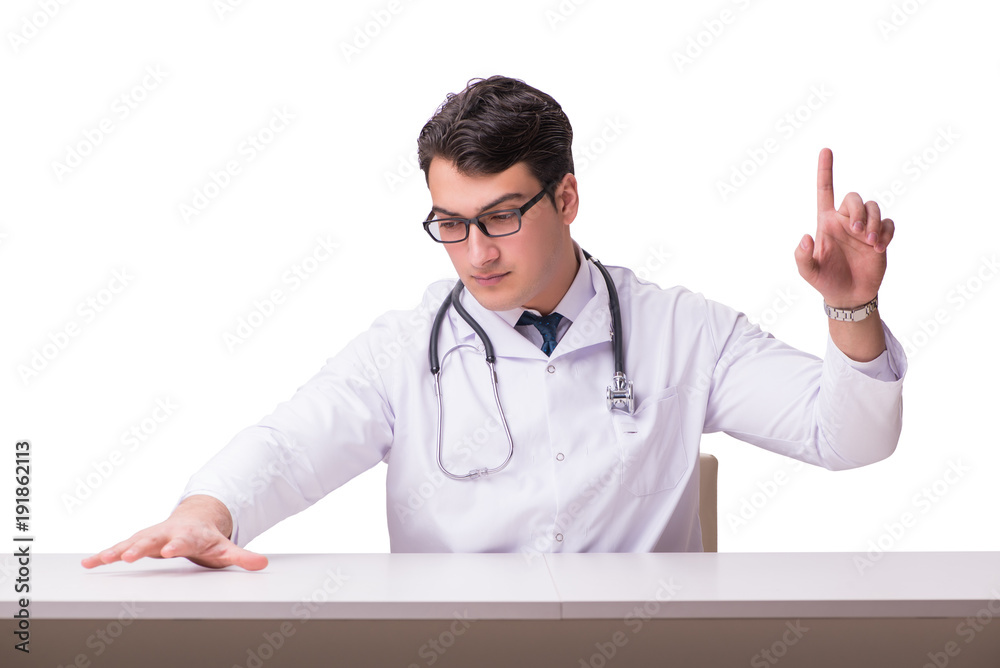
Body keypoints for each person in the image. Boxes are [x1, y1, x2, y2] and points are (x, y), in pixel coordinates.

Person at [82, 75, 905, 572]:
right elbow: (290, 446)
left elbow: (848, 439)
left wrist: (851, 308)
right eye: (450, 222)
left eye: (502, 216)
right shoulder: (404, 350)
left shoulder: (682, 331)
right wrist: (205, 512)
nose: (475, 252)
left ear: (566, 198)